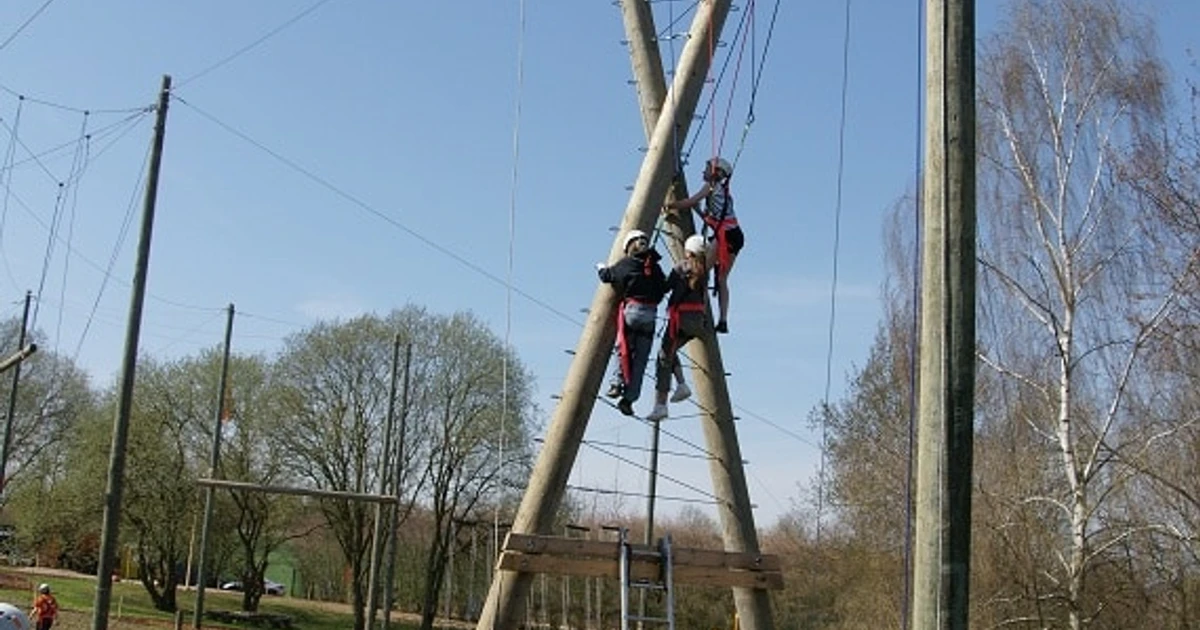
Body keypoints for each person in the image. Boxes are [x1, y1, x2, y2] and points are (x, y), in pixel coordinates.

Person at [598, 229, 689, 415]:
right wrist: (675, 272)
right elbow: (664, 287)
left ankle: (616, 383)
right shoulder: (654, 266)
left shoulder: (628, 263)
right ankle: (629, 399)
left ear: (628, 246)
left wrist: (600, 267)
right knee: (640, 360)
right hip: (650, 316)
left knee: (622, 348)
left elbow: (607, 276)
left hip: (632, 312)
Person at [663, 156, 744, 334]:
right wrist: (699, 210)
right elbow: (716, 221)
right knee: (722, 279)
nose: (703, 171)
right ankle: (723, 319)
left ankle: (701, 312)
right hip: (735, 235)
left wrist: (669, 205)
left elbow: (690, 201)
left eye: (706, 168)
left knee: (700, 273)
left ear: (715, 172)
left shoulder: (710, 187)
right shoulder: (724, 191)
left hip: (725, 236)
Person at [646, 234, 711, 421]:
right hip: (697, 321)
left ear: (688, 251)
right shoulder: (704, 269)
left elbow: (665, 287)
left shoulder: (682, 266)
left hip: (681, 319)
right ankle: (681, 385)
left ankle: (661, 404)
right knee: (669, 352)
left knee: (662, 359)